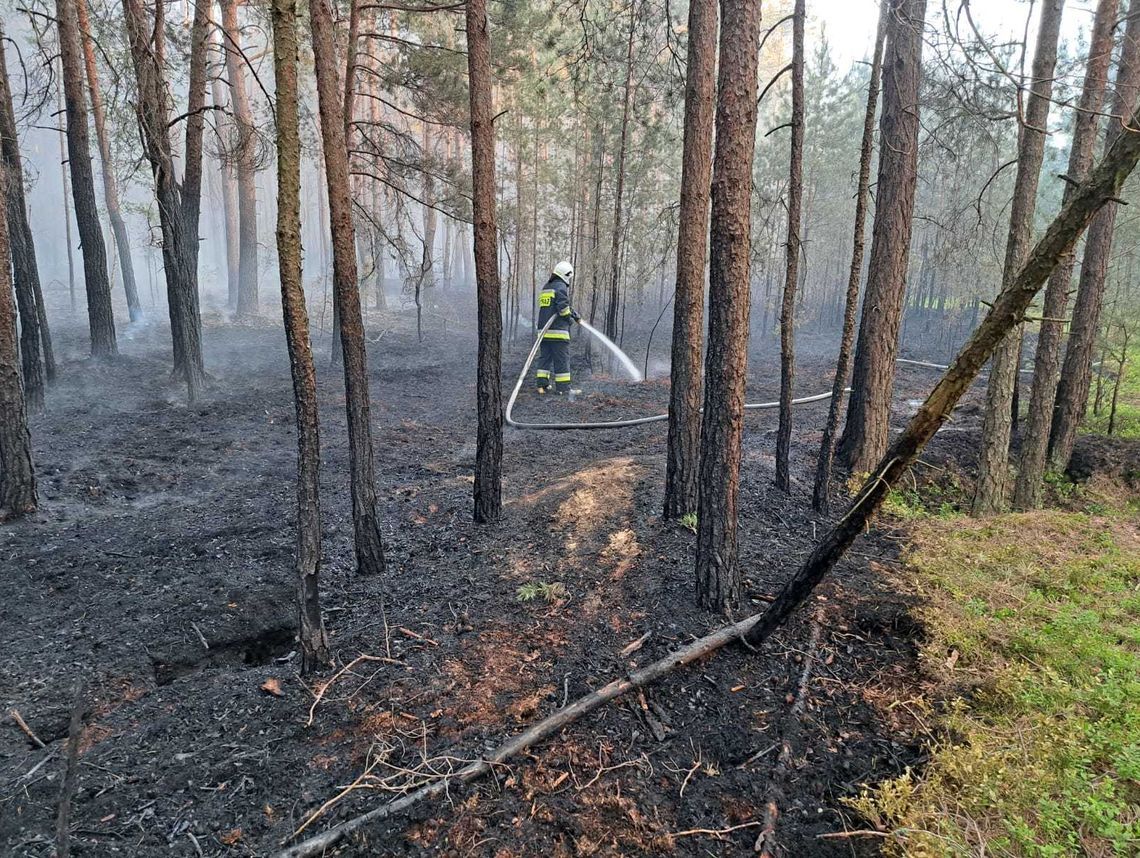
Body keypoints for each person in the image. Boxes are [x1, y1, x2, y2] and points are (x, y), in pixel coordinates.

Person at [535, 261, 581, 395]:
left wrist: (576, 315)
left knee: (545, 358)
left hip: (544, 332)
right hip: (558, 332)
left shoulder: (546, 287)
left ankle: (542, 386)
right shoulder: (561, 287)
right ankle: (563, 388)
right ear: (565, 274)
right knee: (561, 360)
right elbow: (563, 309)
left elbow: (555, 306)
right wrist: (570, 320)